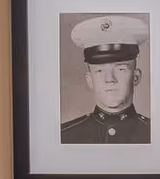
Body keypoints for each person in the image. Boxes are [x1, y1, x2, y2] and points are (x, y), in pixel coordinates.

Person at [63, 16, 151, 145]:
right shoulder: (65, 136)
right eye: (99, 71)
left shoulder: (157, 134)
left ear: (135, 77)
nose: (110, 79)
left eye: (120, 69)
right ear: (90, 80)